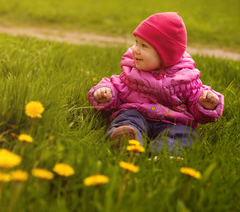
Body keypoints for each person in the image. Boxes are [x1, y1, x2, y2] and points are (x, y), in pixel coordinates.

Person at [88, 12, 224, 153]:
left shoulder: (186, 80)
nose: (135, 50)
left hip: (174, 122)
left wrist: (206, 104)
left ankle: (164, 153)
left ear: (165, 54)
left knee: (186, 134)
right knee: (127, 118)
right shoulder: (132, 73)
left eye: (144, 46)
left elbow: (197, 100)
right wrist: (107, 92)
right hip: (137, 114)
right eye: (136, 42)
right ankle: (126, 143)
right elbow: (116, 86)